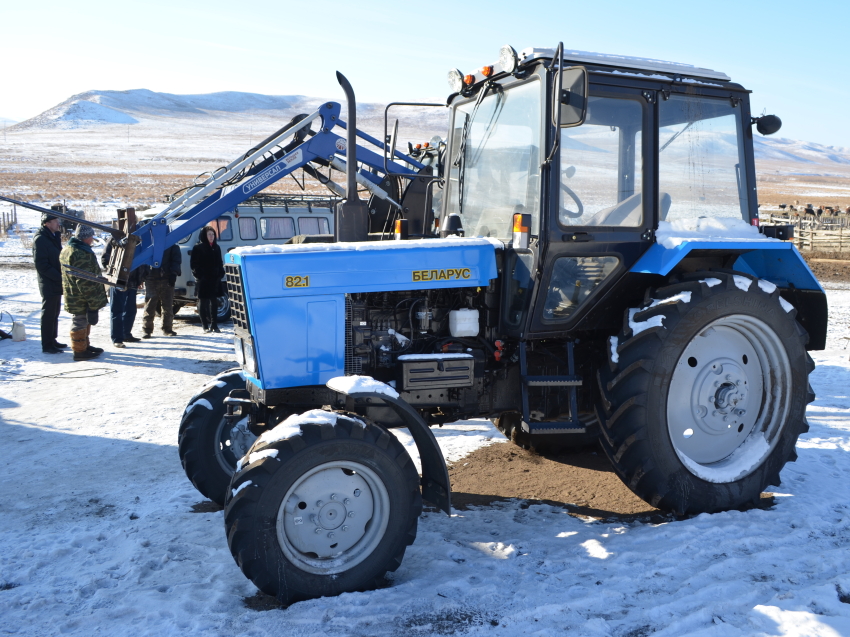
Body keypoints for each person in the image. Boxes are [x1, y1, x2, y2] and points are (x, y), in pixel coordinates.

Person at [59, 224, 108, 361]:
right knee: (80, 321)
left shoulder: (69, 249)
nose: (92, 239)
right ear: (85, 237)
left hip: (74, 293)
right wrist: (92, 301)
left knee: (84, 320)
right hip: (81, 296)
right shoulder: (79, 253)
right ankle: (79, 351)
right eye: (91, 236)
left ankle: (84, 346)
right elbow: (84, 281)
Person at [101, 231, 144, 348]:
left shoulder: (138, 240)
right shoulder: (114, 239)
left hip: (133, 281)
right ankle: (117, 338)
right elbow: (105, 259)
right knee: (117, 311)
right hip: (119, 281)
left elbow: (142, 261)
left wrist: (140, 278)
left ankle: (126, 334)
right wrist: (114, 273)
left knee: (131, 310)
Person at [33, 212, 67, 354]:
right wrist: (59, 277)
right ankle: (47, 344)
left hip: (56, 280)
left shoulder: (53, 237)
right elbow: (41, 265)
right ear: (47, 223)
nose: (58, 224)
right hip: (48, 282)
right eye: (55, 221)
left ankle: (53, 340)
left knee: (55, 313)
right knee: (48, 314)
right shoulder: (40, 239)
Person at [141, 242, 182, 338]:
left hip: (167, 277)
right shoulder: (149, 243)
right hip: (151, 277)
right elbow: (143, 260)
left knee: (167, 304)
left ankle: (167, 328)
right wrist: (143, 275)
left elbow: (176, 260)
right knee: (150, 304)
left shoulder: (172, 245)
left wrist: (174, 273)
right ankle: (147, 330)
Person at [190, 225, 224, 333]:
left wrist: (220, 273)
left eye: (213, 234)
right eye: (209, 234)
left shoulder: (216, 247)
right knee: (203, 303)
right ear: (205, 235)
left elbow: (220, 262)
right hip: (203, 280)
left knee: (214, 303)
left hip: (214, 279)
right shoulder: (198, 247)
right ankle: (205, 325)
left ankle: (214, 325)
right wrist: (200, 276)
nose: (211, 236)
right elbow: (194, 265)